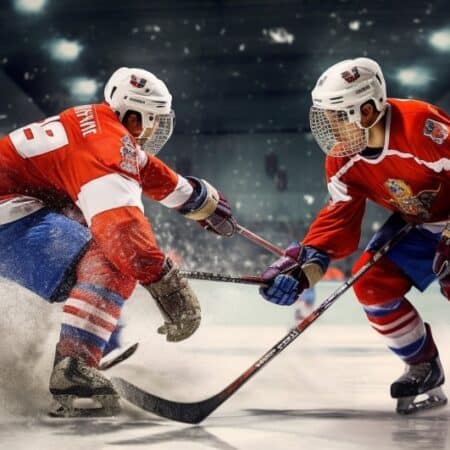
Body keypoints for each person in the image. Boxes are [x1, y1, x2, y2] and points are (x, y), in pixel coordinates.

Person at [0, 67, 236, 416]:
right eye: (152, 120)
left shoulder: (98, 126)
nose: (155, 130)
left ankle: (85, 352)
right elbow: (124, 235)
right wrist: (167, 285)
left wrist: (199, 200)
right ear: (132, 115)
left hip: (14, 207)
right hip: (9, 212)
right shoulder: (106, 147)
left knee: (96, 249)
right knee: (113, 258)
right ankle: (76, 365)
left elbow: (148, 171)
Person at [259, 57, 450, 414]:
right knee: (371, 284)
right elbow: (339, 221)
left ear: (367, 110)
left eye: (336, 118)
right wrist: (304, 268)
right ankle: (423, 365)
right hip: (418, 225)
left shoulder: (423, 126)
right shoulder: (343, 159)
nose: (329, 129)